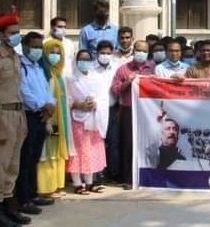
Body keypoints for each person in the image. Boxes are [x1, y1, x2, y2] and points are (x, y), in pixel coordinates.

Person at [0, 9, 30, 226]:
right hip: (2, 114)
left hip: (18, 114)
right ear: (1, 35)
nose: (16, 36)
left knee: (13, 165)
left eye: (18, 32)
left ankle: (9, 206)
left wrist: (23, 120)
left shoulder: (15, 57)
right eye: (12, 33)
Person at [16, 32, 56, 216]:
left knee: (35, 158)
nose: (37, 50)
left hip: (42, 116)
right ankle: (23, 199)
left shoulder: (39, 67)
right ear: (25, 47)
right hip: (29, 115)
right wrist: (42, 105)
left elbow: (47, 90)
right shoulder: (21, 67)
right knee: (25, 158)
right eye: (34, 46)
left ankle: (33, 194)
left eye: (40, 47)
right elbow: (23, 92)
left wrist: (50, 105)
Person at [111, 40, 155, 189]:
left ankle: (147, 176)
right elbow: (115, 90)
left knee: (148, 143)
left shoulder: (152, 68)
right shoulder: (123, 69)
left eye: (144, 51)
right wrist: (128, 82)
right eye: (138, 50)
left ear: (148, 53)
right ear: (133, 50)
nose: (141, 53)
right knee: (128, 145)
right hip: (128, 110)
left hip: (148, 111)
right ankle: (129, 179)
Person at [66, 50, 109, 195]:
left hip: (94, 119)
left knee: (91, 151)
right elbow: (66, 99)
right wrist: (78, 105)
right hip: (77, 120)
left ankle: (90, 183)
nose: (84, 62)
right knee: (78, 152)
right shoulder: (70, 79)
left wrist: (96, 104)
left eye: (87, 59)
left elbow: (103, 97)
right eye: (81, 59)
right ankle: (77, 183)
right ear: (76, 61)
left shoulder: (96, 78)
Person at [38, 39, 75, 199]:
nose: (55, 56)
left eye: (58, 53)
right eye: (51, 53)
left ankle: (57, 185)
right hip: (49, 119)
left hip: (61, 121)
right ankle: (45, 188)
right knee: (47, 154)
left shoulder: (59, 74)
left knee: (57, 153)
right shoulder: (44, 74)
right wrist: (49, 121)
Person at [94, 41, 121, 185]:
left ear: (113, 53)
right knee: (97, 142)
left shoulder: (116, 68)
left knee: (113, 142)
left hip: (113, 109)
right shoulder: (91, 68)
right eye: (102, 53)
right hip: (95, 111)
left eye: (108, 53)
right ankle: (98, 173)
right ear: (97, 53)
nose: (105, 56)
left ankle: (113, 173)